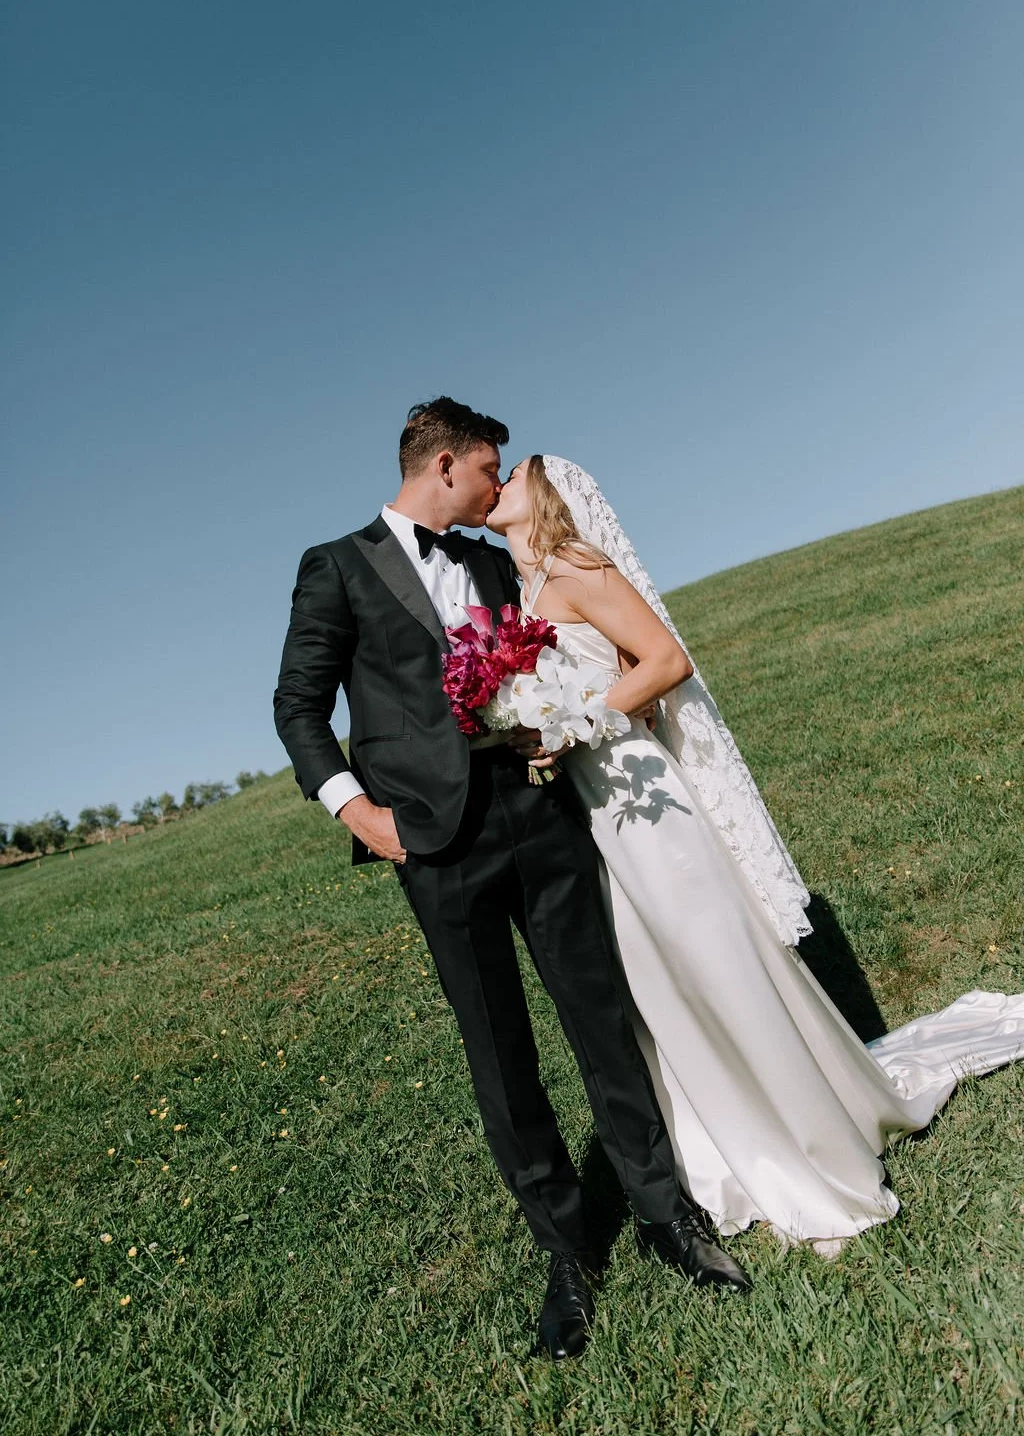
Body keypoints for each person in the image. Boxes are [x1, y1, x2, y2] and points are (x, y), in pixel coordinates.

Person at [273, 399, 751, 1363]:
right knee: (501, 1052)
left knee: (600, 1019)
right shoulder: (337, 566)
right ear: (443, 465)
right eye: (488, 470)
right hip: (434, 848)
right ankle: (569, 1253)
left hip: (540, 817)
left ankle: (665, 1217)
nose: (499, 489)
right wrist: (357, 812)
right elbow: (297, 706)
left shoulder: (500, 563)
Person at [486, 454, 1024, 1250]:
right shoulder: (525, 592)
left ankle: (808, 1147)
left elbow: (666, 662)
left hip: (642, 794)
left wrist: (575, 723)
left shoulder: (575, 564)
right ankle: (725, 1144)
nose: (497, 486)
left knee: (716, 961)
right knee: (661, 980)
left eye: (514, 474)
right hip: (596, 809)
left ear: (551, 494)